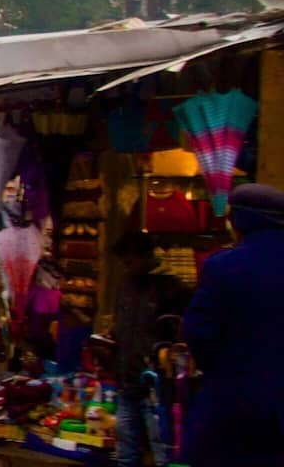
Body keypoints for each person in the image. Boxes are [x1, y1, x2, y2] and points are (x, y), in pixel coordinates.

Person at [184, 183, 284, 466]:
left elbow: (199, 331)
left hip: (233, 409)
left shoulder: (224, 267)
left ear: (239, 221)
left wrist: (219, 368)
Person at [104, 232, 190, 467]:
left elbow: (180, 337)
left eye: (129, 260)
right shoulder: (126, 285)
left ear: (145, 257)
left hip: (157, 389)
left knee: (162, 453)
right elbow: (121, 326)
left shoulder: (172, 288)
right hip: (126, 383)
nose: (126, 265)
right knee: (125, 456)